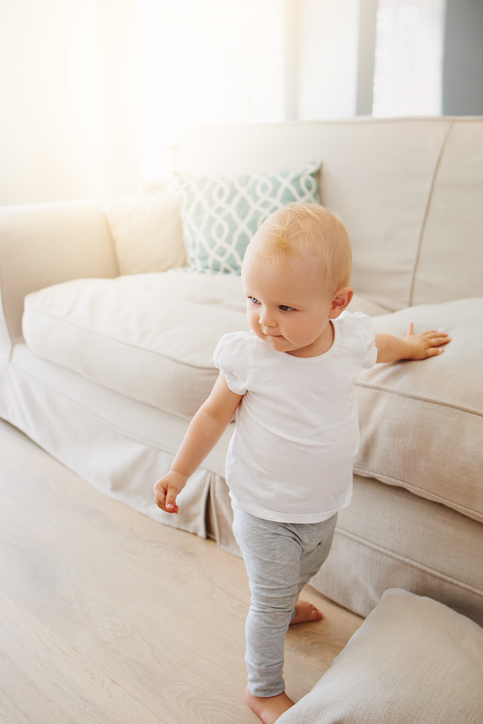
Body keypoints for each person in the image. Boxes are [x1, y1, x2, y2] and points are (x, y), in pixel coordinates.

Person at [153, 203, 451, 724]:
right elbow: (211, 414)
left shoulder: (348, 339)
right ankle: (263, 688)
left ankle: (287, 605)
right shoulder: (250, 356)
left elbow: (378, 346)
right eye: (253, 300)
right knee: (266, 602)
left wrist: (410, 346)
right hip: (263, 509)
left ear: (336, 304)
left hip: (321, 505)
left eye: (286, 308)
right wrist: (180, 471)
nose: (265, 320)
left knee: (306, 568)